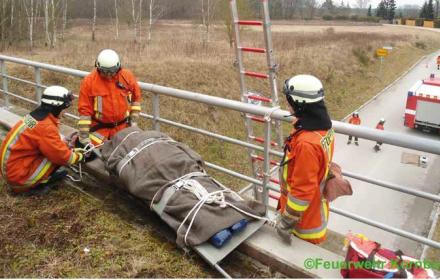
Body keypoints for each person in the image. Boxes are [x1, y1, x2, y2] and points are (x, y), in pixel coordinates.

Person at [276, 74, 335, 245]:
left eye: (289, 102)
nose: (287, 105)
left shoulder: (306, 144)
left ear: (300, 105)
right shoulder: (324, 129)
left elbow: (302, 191)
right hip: (314, 208)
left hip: (302, 224)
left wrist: (286, 222)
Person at [0, 86, 85, 195]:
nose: (64, 112)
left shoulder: (34, 118)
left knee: (56, 148)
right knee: (57, 157)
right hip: (19, 178)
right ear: (56, 108)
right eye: (64, 108)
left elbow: (47, 141)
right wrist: (79, 156)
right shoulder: (45, 127)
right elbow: (62, 157)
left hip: (11, 169)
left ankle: (33, 178)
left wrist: (65, 144)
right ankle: (31, 187)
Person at [77, 49, 142, 146]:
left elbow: (136, 99)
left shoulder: (127, 77)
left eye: (112, 71)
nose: (109, 75)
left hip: (123, 129)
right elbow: (84, 111)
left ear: (118, 67)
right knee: (94, 158)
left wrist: (133, 121)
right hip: (99, 131)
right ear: (98, 67)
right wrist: (84, 137)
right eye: (105, 71)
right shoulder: (89, 82)